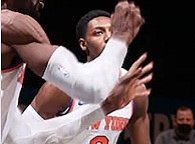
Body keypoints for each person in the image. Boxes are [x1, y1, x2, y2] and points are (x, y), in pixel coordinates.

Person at [1, 0, 145, 142]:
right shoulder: (14, 25)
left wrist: (105, 107)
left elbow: (24, 138)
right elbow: (91, 87)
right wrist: (120, 39)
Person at [24, 9, 151, 143]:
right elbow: (22, 135)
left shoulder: (135, 89)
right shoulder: (62, 86)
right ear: (84, 44)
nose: (109, 37)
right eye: (98, 33)